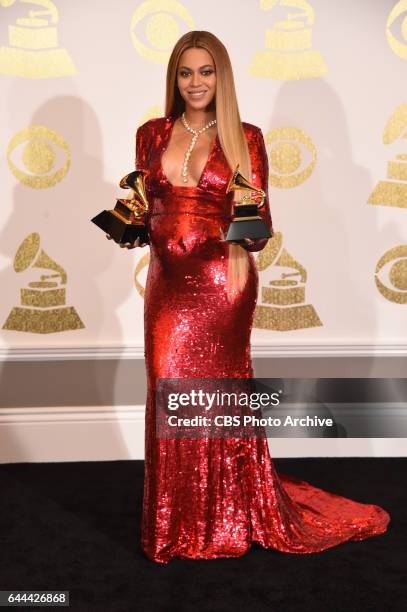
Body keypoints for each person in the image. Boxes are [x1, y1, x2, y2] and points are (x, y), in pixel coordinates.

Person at [108, 31, 390, 564]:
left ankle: (225, 518)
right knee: (170, 391)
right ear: (174, 78)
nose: (196, 83)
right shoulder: (150, 134)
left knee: (218, 394)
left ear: (223, 78)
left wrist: (247, 212)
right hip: (168, 286)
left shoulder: (246, 137)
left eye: (207, 72)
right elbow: (149, 214)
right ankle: (175, 523)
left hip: (223, 285)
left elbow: (259, 233)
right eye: (186, 73)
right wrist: (130, 218)